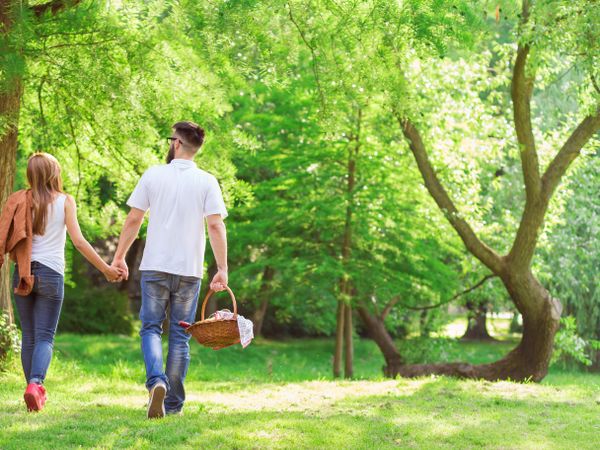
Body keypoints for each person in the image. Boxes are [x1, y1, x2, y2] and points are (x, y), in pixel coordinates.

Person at [112, 121, 228, 419]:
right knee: (180, 336)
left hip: (155, 266)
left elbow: (134, 219)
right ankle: (173, 405)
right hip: (189, 269)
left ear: (176, 143)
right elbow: (215, 225)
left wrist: (120, 257)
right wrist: (222, 269)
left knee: (151, 328)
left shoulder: (154, 175)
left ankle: (156, 383)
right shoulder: (207, 181)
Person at [0, 152, 123, 412]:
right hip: (51, 274)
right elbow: (78, 241)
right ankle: (35, 385)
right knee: (45, 336)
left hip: (22, 272)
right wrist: (105, 269)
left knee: (30, 336)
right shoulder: (65, 201)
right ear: (53, 174)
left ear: (31, 175)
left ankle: (31, 391)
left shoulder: (22, 200)